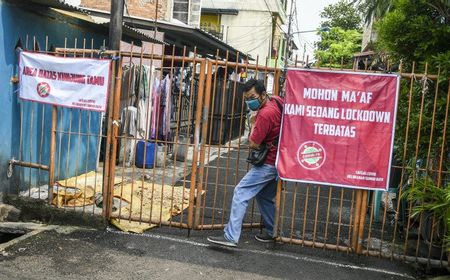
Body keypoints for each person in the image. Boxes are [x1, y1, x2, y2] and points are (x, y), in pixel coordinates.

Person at [207, 79, 283, 247]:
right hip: (279, 160)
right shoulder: (277, 100)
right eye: (247, 98)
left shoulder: (264, 114)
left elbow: (254, 143)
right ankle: (273, 232)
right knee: (264, 196)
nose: (249, 101)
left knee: (241, 192)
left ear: (263, 95)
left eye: (252, 97)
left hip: (268, 163)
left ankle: (230, 237)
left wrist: (253, 122)